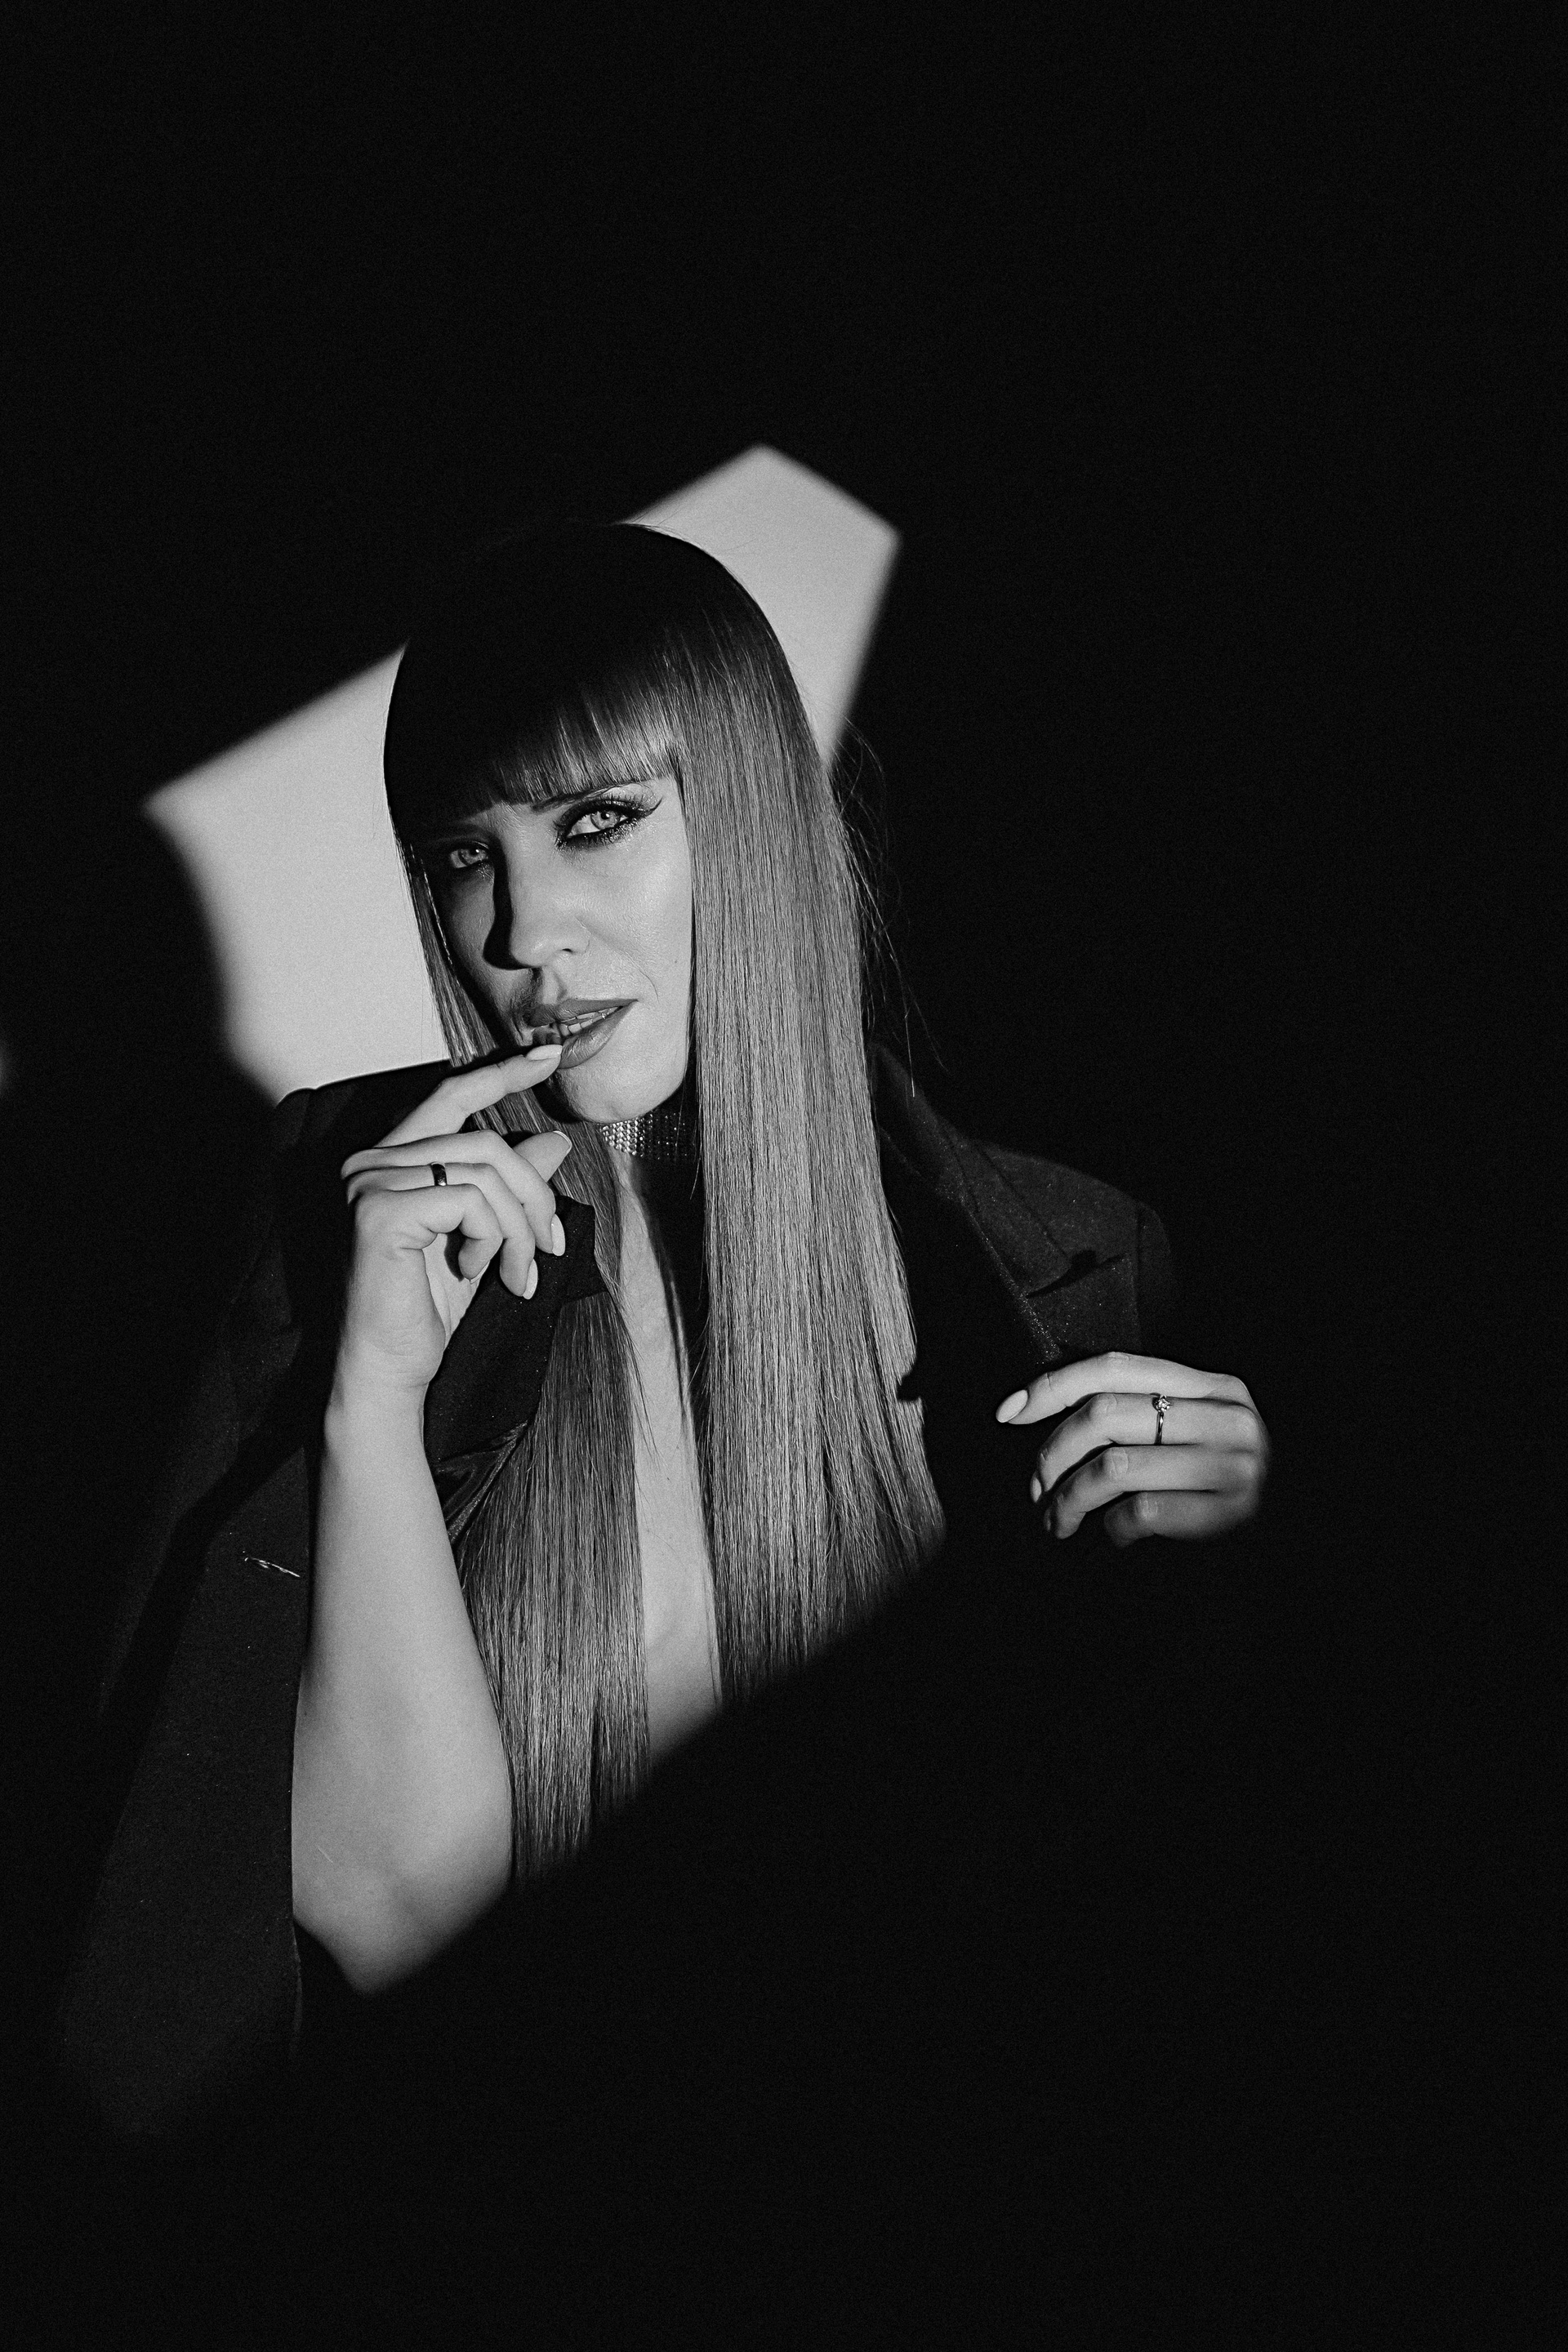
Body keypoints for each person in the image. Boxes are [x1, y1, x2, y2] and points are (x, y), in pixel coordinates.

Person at [54, 521, 1268, 2140]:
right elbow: (399, 1922)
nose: (519, 936)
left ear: (749, 814)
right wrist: (371, 1399)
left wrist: (1235, 1566)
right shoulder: (340, 1226)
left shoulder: (1070, 1265)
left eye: (597, 822)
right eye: (465, 854)